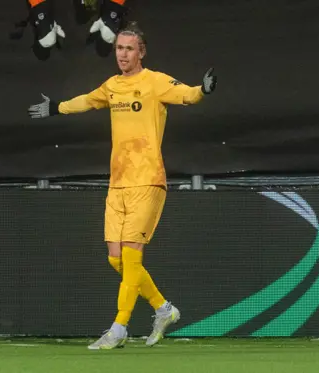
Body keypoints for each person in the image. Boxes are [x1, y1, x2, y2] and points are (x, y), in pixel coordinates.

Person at [27, 22, 217, 349]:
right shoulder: (113, 86)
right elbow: (88, 100)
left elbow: (187, 95)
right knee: (116, 259)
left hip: (148, 179)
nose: (123, 54)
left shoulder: (155, 82)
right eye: (118, 48)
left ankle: (119, 327)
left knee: (131, 254)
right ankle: (163, 308)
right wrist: (56, 107)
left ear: (141, 52)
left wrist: (203, 89)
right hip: (118, 183)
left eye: (129, 49)